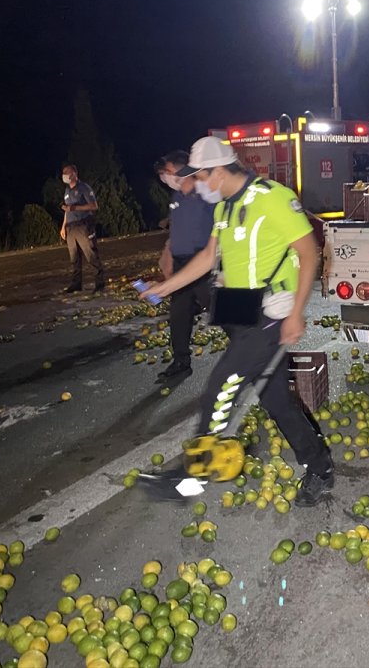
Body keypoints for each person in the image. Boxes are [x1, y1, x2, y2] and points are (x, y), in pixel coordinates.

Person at [142, 136, 334, 506]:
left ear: (218, 172)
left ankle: (188, 479)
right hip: (238, 306)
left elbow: (309, 251)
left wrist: (296, 312)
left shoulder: (271, 197)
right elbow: (208, 257)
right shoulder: (224, 208)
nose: (197, 185)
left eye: (200, 177)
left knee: (220, 384)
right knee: (275, 398)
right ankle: (320, 466)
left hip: (272, 309)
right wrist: (165, 288)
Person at [153, 150, 216, 382]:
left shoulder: (206, 195)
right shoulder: (176, 197)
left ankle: (249, 357)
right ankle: (181, 362)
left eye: (168, 172)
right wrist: (167, 251)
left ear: (183, 170)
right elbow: (176, 229)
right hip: (181, 265)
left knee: (222, 311)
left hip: (203, 265)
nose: (165, 177)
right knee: (178, 315)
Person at [60, 164, 105, 293]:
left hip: (83, 225)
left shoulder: (84, 188)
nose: (64, 175)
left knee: (90, 254)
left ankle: (100, 283)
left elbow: (94, 206)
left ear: (74, 174)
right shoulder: (67, 190)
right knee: (74, 258)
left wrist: (75, 208)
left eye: (66, 172)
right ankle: (76, 284)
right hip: (71, 227)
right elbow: (67, 209)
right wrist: (63, 226)